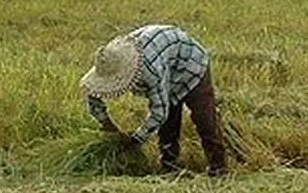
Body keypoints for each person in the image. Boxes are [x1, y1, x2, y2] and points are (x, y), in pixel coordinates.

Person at [81, 24, 227, 176]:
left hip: (191, 64)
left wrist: (137, 139)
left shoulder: (149, 70)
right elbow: (93, 95)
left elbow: (159, 112)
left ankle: (218, 167)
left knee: (204, 118)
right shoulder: (106, 61)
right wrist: (107, 125)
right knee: (169, 125)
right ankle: (169, 165)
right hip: (165, 61)